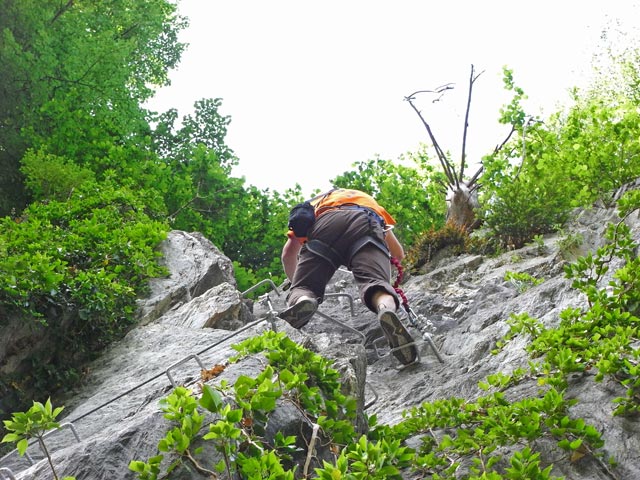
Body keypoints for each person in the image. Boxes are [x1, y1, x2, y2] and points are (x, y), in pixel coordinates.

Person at [279, 188, 418, 365]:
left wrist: (297, 284)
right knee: (375, 284)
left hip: (324, 224)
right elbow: (398, 254)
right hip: (365, 222)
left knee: (304, 288)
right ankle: (385, 309)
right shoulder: (367, 201)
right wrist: (379, 270)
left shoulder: (315, 205)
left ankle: (303, 301)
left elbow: (288, 254)